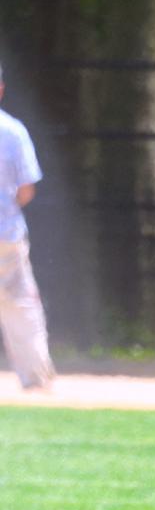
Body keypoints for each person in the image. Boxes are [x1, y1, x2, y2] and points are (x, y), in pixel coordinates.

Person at [0, 62, 55, 390]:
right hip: (5, 234)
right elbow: (26, 190)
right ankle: (35, 380)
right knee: (20, 305)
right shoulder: (12, 131)